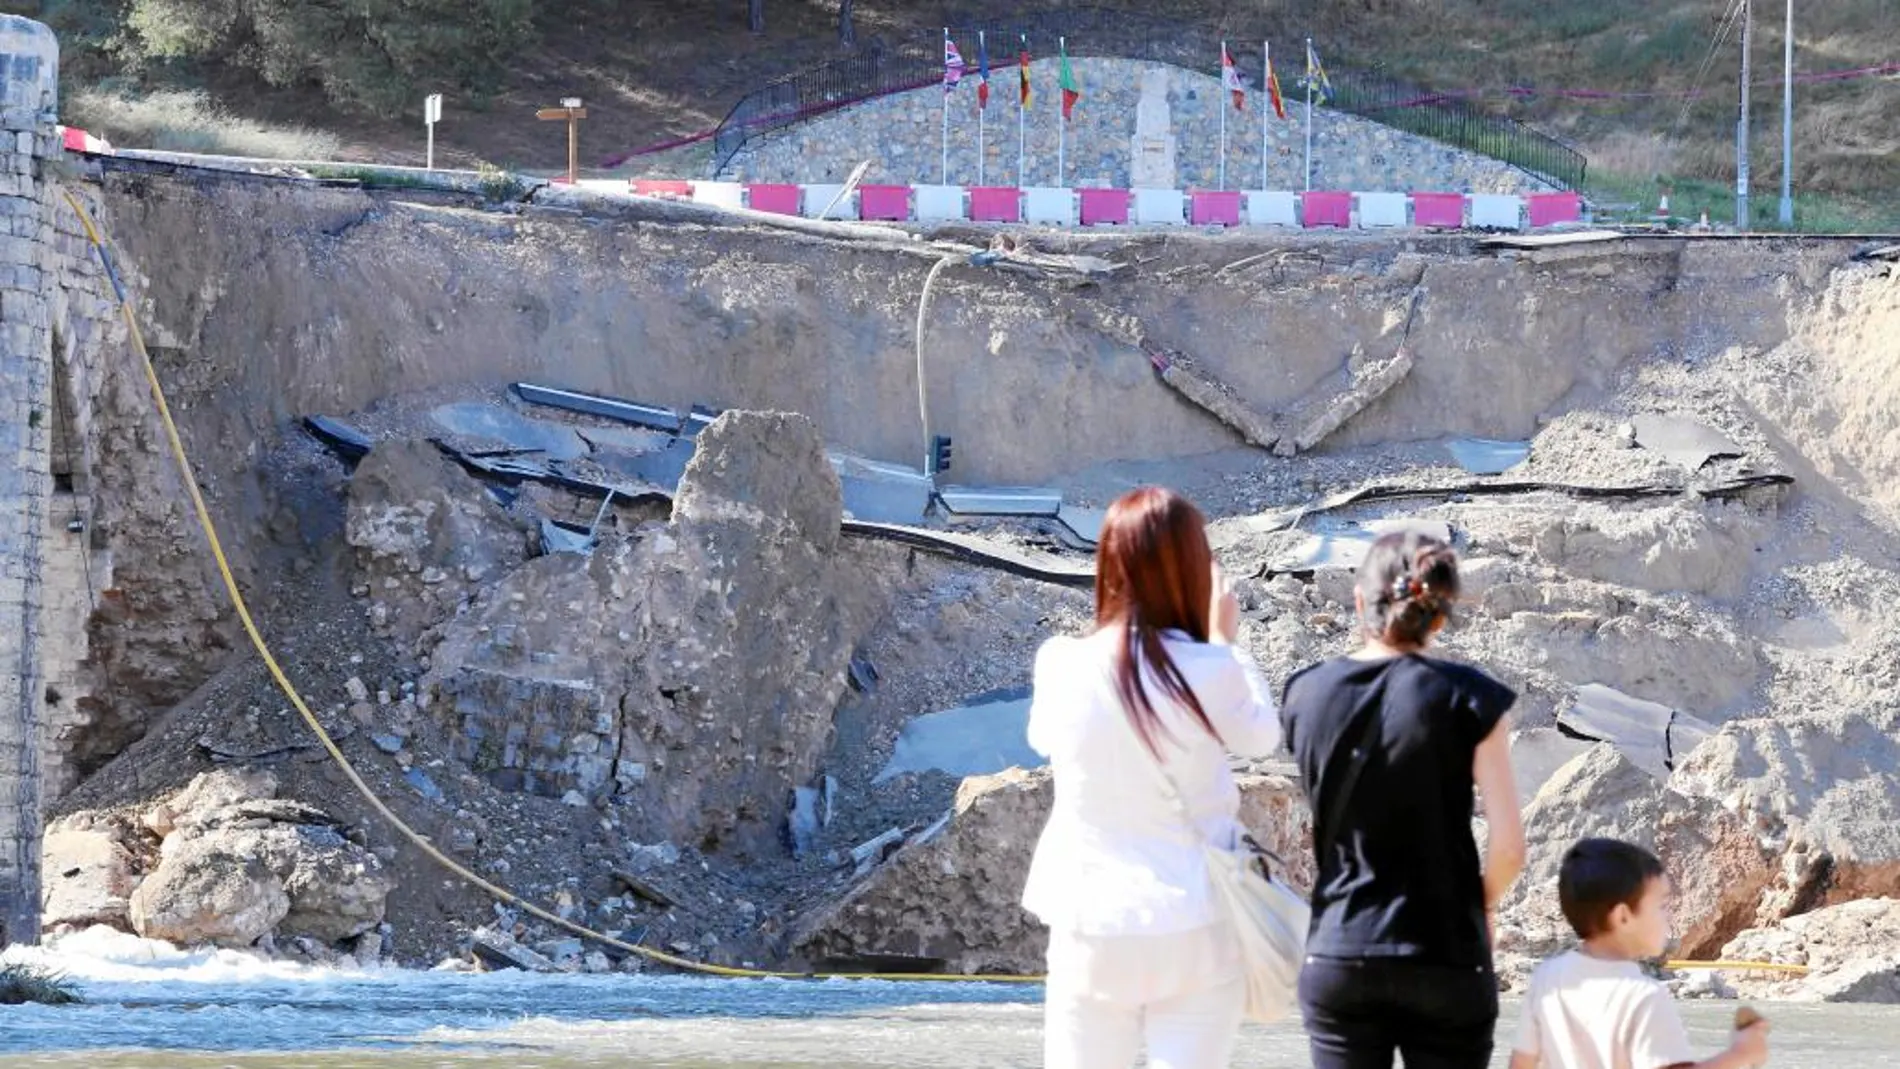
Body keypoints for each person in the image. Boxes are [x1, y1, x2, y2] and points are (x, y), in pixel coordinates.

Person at [1022, 485, 1283, 1069]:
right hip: (1195, 919)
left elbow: (1043, 740)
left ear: (1107, 565)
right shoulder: (1209, 668)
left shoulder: (1061, 662)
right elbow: (1261, 737)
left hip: (1090, 918)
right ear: (1192, 569)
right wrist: (1228, 645)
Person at [1279, 530, 1526, 1069]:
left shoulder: (1304, 694)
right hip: (1445, 951)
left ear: (1360, 600)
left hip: (1341, 945)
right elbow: (1508, 848)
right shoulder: (1472, 697)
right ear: (1440, 615)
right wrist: (1474, 906)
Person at [1510, 839, 1772, 1069]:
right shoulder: (1644, 996)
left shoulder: (1547, 977)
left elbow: (1521, 1063)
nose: (1668, 916)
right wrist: (1740, 1054)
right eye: (1661, 905)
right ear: (1623, 917)